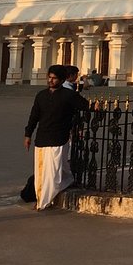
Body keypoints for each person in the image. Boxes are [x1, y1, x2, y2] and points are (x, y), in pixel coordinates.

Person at [23, 64, 87, 210]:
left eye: (54, 78)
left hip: (58, 138)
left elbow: (85, 106)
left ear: (62, 79)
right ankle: (42, 199)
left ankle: (45, 199)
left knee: (53, 173)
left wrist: (95, 106)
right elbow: (34, 116)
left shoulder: (69, 95)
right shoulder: (41, 95)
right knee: (41, 172)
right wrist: (28, 134)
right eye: (49, 77)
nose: (51, 81)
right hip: (42, 138)